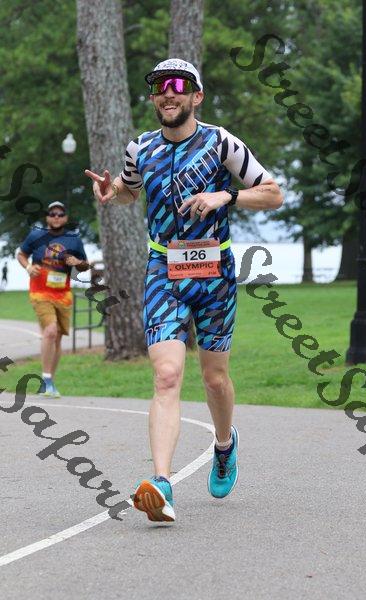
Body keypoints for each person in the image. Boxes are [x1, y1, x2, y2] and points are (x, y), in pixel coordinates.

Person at [86, 58, 283, 523]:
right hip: (163, 271)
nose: (168, 92)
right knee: (167, 375)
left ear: (197, 96)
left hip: (215, 275)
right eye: (159, 85)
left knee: (214, 379)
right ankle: (161, 483)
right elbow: (132, 189)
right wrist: (113, 193)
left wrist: (225, 195)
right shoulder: (141, 148)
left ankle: (224, 444)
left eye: (179, 84)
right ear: (153, 97)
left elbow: (273, 193)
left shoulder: (221, 142)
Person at [17, 201, 89, 397]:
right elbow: (21, 254)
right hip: (40, 293)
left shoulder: (73, 239)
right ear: (47, 217)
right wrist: (28, 267)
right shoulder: (36, 235)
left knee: (57, 338)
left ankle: (48, 381)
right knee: (50, 331)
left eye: (60, 214)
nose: (56, 217)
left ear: (66, 218)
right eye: (52, 214)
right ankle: (47, 380)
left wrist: (77, 262)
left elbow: (85, 265)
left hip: (63, 295)